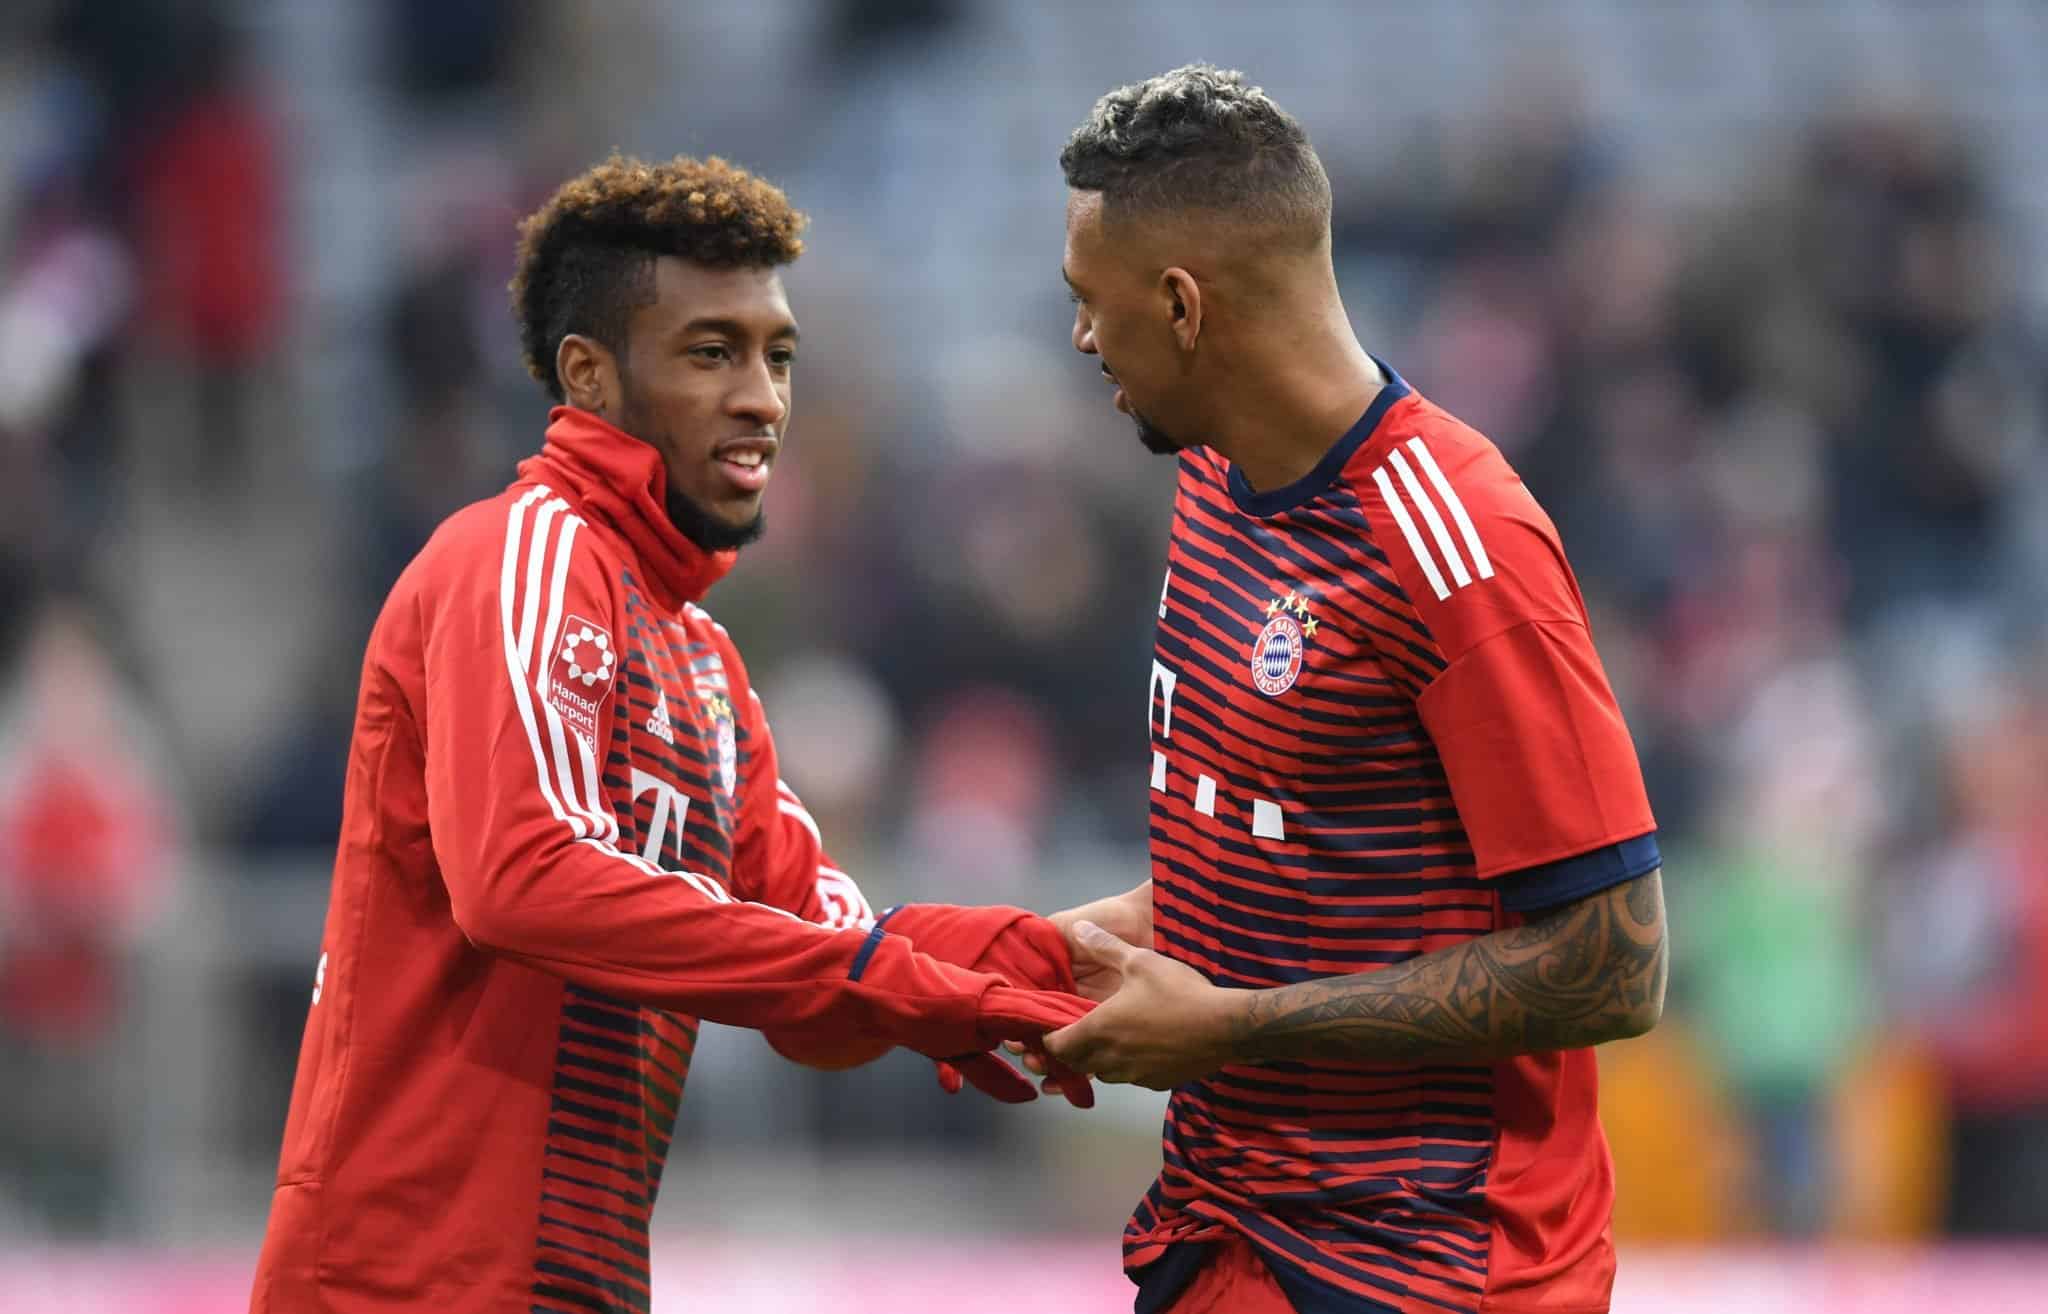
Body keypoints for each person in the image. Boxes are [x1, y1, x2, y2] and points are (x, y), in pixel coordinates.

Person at [248, 155, 1092, 1314]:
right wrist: (891, 979)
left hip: (570, 1285)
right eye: (712, 352)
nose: (762, 397)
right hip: (404, 1286)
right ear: (589, 376)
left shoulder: (700, 658)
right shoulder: (518, 556)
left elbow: (826, 945)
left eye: (777, 355)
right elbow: (521, 879)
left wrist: (1074, 956)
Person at [1034, 67, 1668, 1314]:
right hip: (1229, 1231)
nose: (1077, 339)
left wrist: (1227, 1029)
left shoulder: (1457, 543)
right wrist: (1076, 947)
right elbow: (1318, 854)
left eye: (1085, 304)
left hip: (1431, 1264)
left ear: (1179, 305)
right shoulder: (1215, 484)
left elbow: (1611, 961)